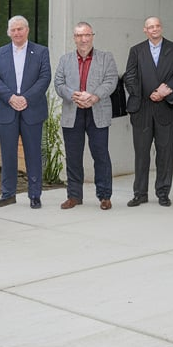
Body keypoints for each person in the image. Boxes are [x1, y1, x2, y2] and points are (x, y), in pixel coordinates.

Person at [0, 15, 52, 209]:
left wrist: (26, 98)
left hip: (32, 109)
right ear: (8, 32)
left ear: (27, 30)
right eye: (13, 30)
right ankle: (8, 194)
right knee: (8, 154)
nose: (17, 33)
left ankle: (34, 195)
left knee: (33, 153)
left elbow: (45, 77)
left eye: (20, 29)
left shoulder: (41, 52)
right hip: (7, 109)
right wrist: (10, 97)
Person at [123, 16, 173, 207]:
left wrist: (164, 90)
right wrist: (147, 93)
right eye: (150, 27)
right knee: (141, 154)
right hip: (142, 108)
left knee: (165, 154)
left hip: (166, 108)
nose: (154, 29)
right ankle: (140, 193)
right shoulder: (136, 50)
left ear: (161, 28)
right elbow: (130, 76)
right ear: (145, 30)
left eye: (157, 26)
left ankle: (163, 193)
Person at [53, 21, 119, 210]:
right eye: (79, 36)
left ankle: (104, 196)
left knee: (101, 155)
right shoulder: (65, 59)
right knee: (73, 156)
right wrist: (72, 95)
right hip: (72, 112)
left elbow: (111, 80)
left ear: (92, 36)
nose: (83, 39)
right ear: (74, 38)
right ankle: (74, 196)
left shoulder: (106, 58)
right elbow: (58, 83)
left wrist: (94, 96)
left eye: (87, 35)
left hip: (97, 111)